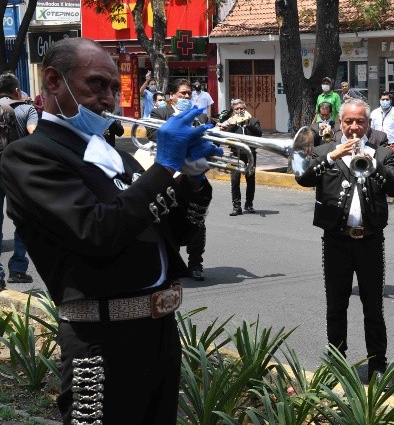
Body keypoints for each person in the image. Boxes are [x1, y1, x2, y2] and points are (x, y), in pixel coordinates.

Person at [0, 37, 220, 424]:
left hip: (159, 334)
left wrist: (192, 182)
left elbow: (175, 234)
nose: (109, 98)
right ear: (53, 80)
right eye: (97, 85)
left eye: (115, 88)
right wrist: (163, 165)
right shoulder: (30, 157)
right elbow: (96, 232)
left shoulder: (117, 156)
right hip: (100, 341)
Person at [295, 98, 394, 382]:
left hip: (370, 240)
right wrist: (332, 156)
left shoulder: (381, 153)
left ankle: (377, 365)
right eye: (349, 121)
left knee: (373, 307)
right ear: (340, 123)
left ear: (368, 124)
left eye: (360, 122)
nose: (354, 127)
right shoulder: (324, 151)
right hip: (336, 240)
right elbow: (303, 178)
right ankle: (337, 363)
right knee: (336, 305)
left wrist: (372, 164)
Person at [149, 79, 210, 281]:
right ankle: (171, 263)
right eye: (182, 93)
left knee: (197, 219)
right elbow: (152, 134)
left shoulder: (200, 116)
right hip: (169, 174)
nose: (186, 97)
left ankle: (195, 264)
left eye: (188, 94)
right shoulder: (161, 113)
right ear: (172, 96)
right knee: (166, 219)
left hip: (193, 175)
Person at [0, 73, 39, 287]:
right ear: (17, 91)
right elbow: (34, 134)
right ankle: (17, 269)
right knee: (23, 221)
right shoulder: (26, 109)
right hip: (19, 173)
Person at [217, 98, 262, 216]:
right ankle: (236, 207)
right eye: (237, 109)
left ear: (245, 109)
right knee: (235, 181)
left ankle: (249, 204)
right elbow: (225, 135)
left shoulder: (253, 120)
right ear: (233, 111)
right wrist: (234, 123)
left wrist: (248, 125)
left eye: (242, 108)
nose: (239, 110)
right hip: (235, 155)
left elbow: (259, 133)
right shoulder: (230, 122)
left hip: (250, 154)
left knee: (250, 180)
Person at [370, 91, 394, 206]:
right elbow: (370, 130)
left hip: (393, 146)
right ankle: (382, 193)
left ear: (391, 100)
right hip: (379, 145)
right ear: (379, 100)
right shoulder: (374, 113)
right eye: (383, 99)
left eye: (387, 99)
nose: (385, 101)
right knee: (379, 168)